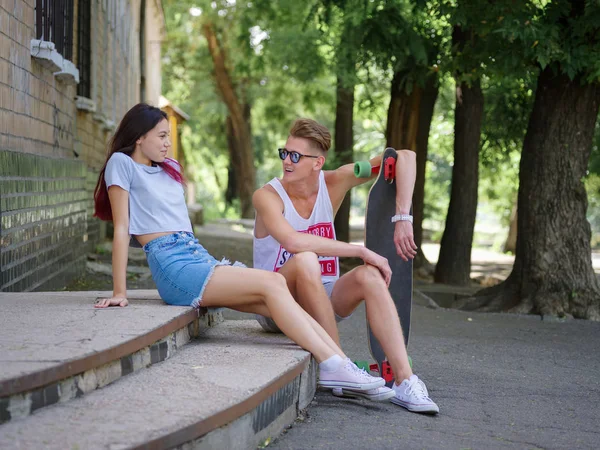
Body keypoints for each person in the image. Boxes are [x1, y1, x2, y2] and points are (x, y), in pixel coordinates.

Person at [92, 103, 388, 396]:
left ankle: (339, 367)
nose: (168, 143)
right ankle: (335, 366)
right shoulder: (122, 164)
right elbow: (121, 228)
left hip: (197, 257)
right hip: (173, 266)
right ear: (139, 137)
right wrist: (120, 292)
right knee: (273, 281)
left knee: (281, 297)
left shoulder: (170, 169)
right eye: (161, 136)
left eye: (169, 135)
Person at [252, 118, 439, 414]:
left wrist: (403, 216)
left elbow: (405, 157)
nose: (287, 161)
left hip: (323, 296)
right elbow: (294, 242)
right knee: (306, 258)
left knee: (369, 276)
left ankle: (405, 381)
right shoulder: (267, 196)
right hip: (277, 304)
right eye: (284, 153)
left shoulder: (335, 181)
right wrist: (361, 250)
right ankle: (339, 366)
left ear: (318, 163)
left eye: (296, 156)